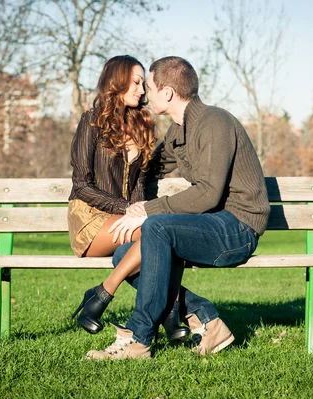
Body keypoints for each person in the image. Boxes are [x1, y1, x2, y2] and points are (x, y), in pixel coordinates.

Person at [85, 56, 271, 360]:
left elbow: (209, 194)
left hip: (238, 228)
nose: (144, 94)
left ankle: (139, 338)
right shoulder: (178, 131)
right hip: (213, 225)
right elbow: (152, 168)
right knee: (126, 255)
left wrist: (149, 209)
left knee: (156, 226)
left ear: (168, 93)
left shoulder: (215, 123)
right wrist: (127, 160)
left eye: (149, 86)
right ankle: (208, 319)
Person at [67, 55, 189, 342]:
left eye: (142, 84)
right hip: (89, 219)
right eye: (136, 83)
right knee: (159, 233)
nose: (142, 90)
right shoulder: (92, 121)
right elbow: (81, 185)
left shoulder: (141, 124)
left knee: (168, 232)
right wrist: (128, 210)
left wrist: (137, 211)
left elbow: (140, 186)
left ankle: (103, 296)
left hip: (124, 220)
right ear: (117, 81)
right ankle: (165, 312)